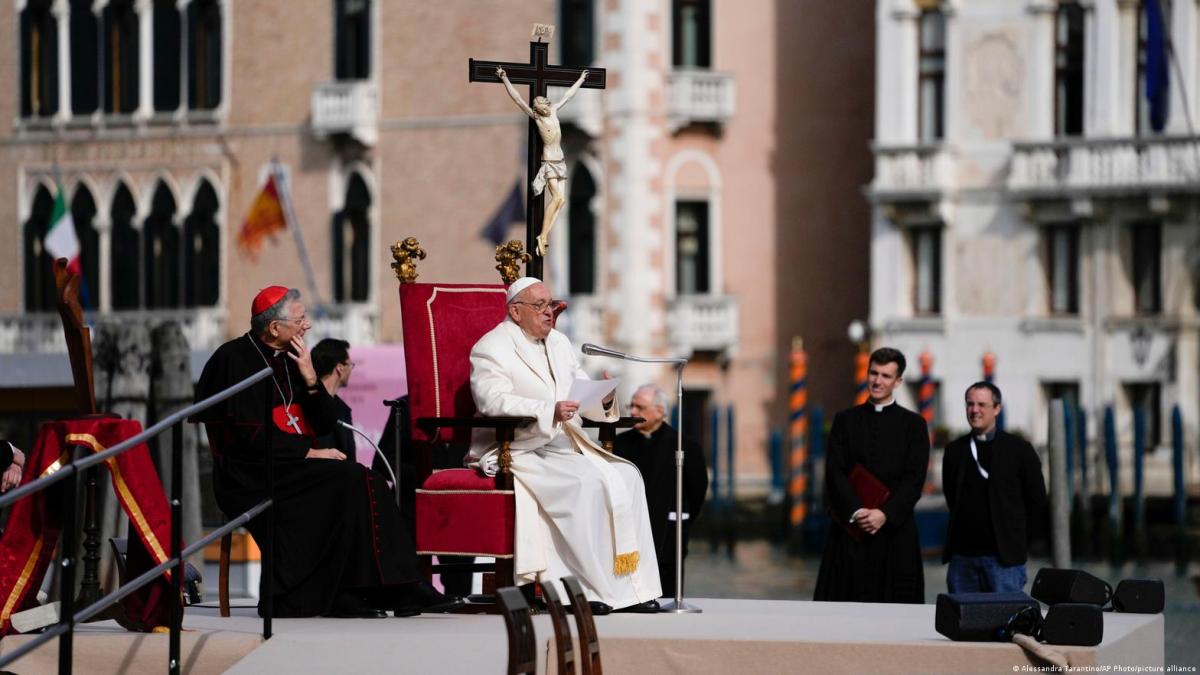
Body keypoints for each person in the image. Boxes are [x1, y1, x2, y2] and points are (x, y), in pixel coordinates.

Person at [191, 286, 460, 618]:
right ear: (275, 328)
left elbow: (323, 425)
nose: (307, 326)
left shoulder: (293, 360)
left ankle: (387, 589)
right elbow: (247, 435)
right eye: (301, 318)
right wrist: (307, 453)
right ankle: (356, 593)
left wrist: (310, 378)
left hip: (288, 465)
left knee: (367, 480)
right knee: (349, 480)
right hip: (248, 473)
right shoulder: (232, 359)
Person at [468, 277, 662, 613]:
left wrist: (602, 397)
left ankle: (631, 590)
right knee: (586, 484)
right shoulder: (492, 347)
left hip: (563, 444)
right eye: (540, 306)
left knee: (628, 476)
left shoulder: (559, 342)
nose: (550, 312)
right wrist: (547, 410)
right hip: (519, 447)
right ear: (515, 311)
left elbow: (580, 388)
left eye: (551, 304)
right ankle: (585, 592)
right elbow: (491, 400)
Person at [814, 347, 930, 604]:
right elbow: (834, 472)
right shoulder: (845, 420)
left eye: (886, 376)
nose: (878, 381)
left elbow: (914, 480)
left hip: (894, 535)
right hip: (850, 533)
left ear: (898, 381)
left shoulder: (914, 425)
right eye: (873, 373)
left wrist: (884, 514)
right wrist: (857, 512)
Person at [942, 382, 1047, 593]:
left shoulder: (1019, 450)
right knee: (961, 624)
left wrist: (1020, 543)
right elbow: (951, 495)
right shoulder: (955, 450)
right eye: (970, 404)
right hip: (963, 559)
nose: (975, 410)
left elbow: (1036, 500)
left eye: (982, 404)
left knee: (1006, 623)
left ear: (997, 409)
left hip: (1004, 560)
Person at [613, 384, 708, 599]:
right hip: (630, 534)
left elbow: (697, 490)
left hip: (668, 532)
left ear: (660, 411)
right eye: (631, 405)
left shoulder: (685, 446)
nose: (633, 412)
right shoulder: (620, 444)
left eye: (640, 407)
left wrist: (683, 519)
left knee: (667, 595)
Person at [496, 66, 588, 256]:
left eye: (543, 104)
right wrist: (505, 79)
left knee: (561, 200)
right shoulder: (537, 118)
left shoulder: (553, 111)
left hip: (560, 160)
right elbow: (518, 100)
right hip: (550, 162)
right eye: (539, 106)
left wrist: (580, 79)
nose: (542, 107)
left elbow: (568, 96)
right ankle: (542, 236)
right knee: (556, 198)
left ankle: (544, 234)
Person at [311, 338, 357, 459]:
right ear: (340, 367)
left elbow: (350, 459)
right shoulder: (307, 403)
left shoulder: (343, 409)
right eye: (350, 365)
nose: (351, 370)